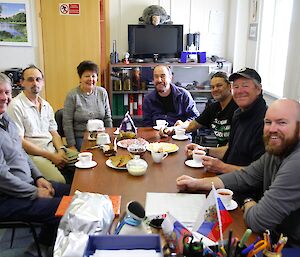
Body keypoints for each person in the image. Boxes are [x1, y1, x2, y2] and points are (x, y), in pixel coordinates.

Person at [177, 99, 300, 247]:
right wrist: (196, 183)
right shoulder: (277, 151)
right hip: (275, 237)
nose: (272, 129)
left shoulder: (296, 162)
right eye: (268, 122)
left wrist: (248, 201)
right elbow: (245, 176)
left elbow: (258, 221)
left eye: (282, 123)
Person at [0, 73, 70, 256]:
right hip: (7, 198)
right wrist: (34, 192)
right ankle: (43, 246)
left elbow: (21, 154)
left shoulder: (6, 121)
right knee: (63, 208)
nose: (4, 97)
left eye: (6, 92)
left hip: (26, 186)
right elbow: (2, 177)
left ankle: (45, 240)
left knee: (73, 192)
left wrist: (38, 177)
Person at [185, 67, 267, 173]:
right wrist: (204, 150)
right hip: (229, 174)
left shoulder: (265, 122)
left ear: (258, 89)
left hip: (244, 186)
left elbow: (260, 173)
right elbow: (230, 150)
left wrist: (222, 167)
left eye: (245, 86)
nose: (240, 91)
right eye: (236, 86)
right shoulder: (239, 114)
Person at [7, 65, 74, 184]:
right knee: (60, 182)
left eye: (38, 79)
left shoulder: (46, 105)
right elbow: (20, 141)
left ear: (42, 82)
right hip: (34, 155)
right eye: (30, 79)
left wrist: (61, 150)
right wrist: (51, 156)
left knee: (86, 164)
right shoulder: (15, 106)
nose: (35, 83)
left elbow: (54, 133)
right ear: (22, 83)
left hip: (52, 149)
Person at [161, 71, 238, 147]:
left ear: (230, 86)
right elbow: (193, 125)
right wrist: (173, 129)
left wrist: (204, 150)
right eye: (212, 87)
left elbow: (230, 149)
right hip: (220, 152)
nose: (215, 89)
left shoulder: (238, 109)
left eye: (219, 85)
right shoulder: (213, 107)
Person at [63, 60, 113, 151]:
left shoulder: (102, 92)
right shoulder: (72, 95)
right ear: (80, 78)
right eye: (87, 76)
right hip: (81, 137)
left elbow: (107, 118)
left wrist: (109, 136)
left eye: (93, 76)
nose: (91, 79)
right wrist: (71, 145)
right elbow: (67, 123)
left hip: (101, 136)